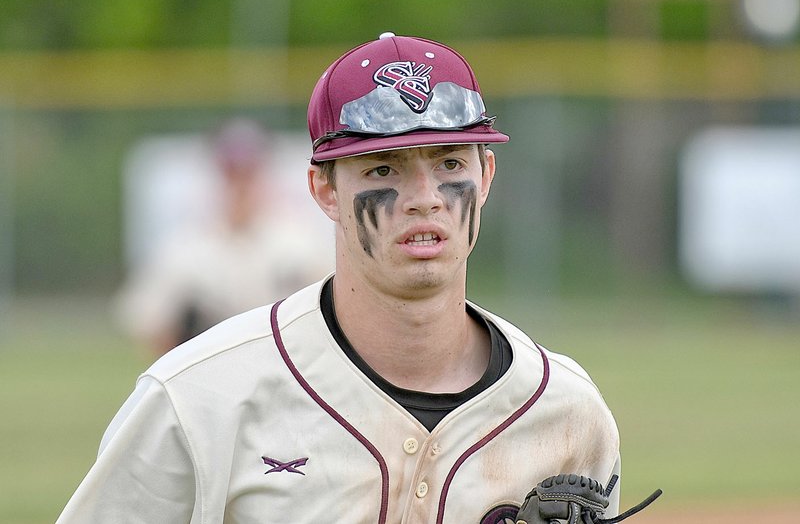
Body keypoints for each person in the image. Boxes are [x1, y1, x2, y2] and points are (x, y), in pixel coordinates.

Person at [57, 33, 621, 523]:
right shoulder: (195, 399)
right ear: (324, 189)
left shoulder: (567, 414)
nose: (424, 199)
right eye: (383, 168)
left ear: (487, 172)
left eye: (450, 162)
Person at [115, 118, 332, 355]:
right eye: (231, 173)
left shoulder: (298, 240)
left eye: (248, 173)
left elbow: (331, 316)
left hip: (283, 367)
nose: (240, 186)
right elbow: (147, 323)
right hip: (210, 372)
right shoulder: (187, 245)